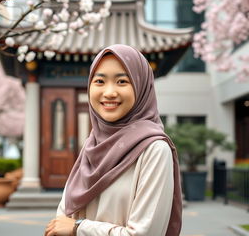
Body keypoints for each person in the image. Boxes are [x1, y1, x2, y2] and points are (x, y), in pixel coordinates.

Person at [44, 44, 182, 236]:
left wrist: (79, 228)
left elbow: (144, 233)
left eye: (122, 82)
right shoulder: (92, 145)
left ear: (142, 88)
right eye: (100, 81)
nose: (109, 92)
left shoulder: (154, 150)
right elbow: (62, 219)